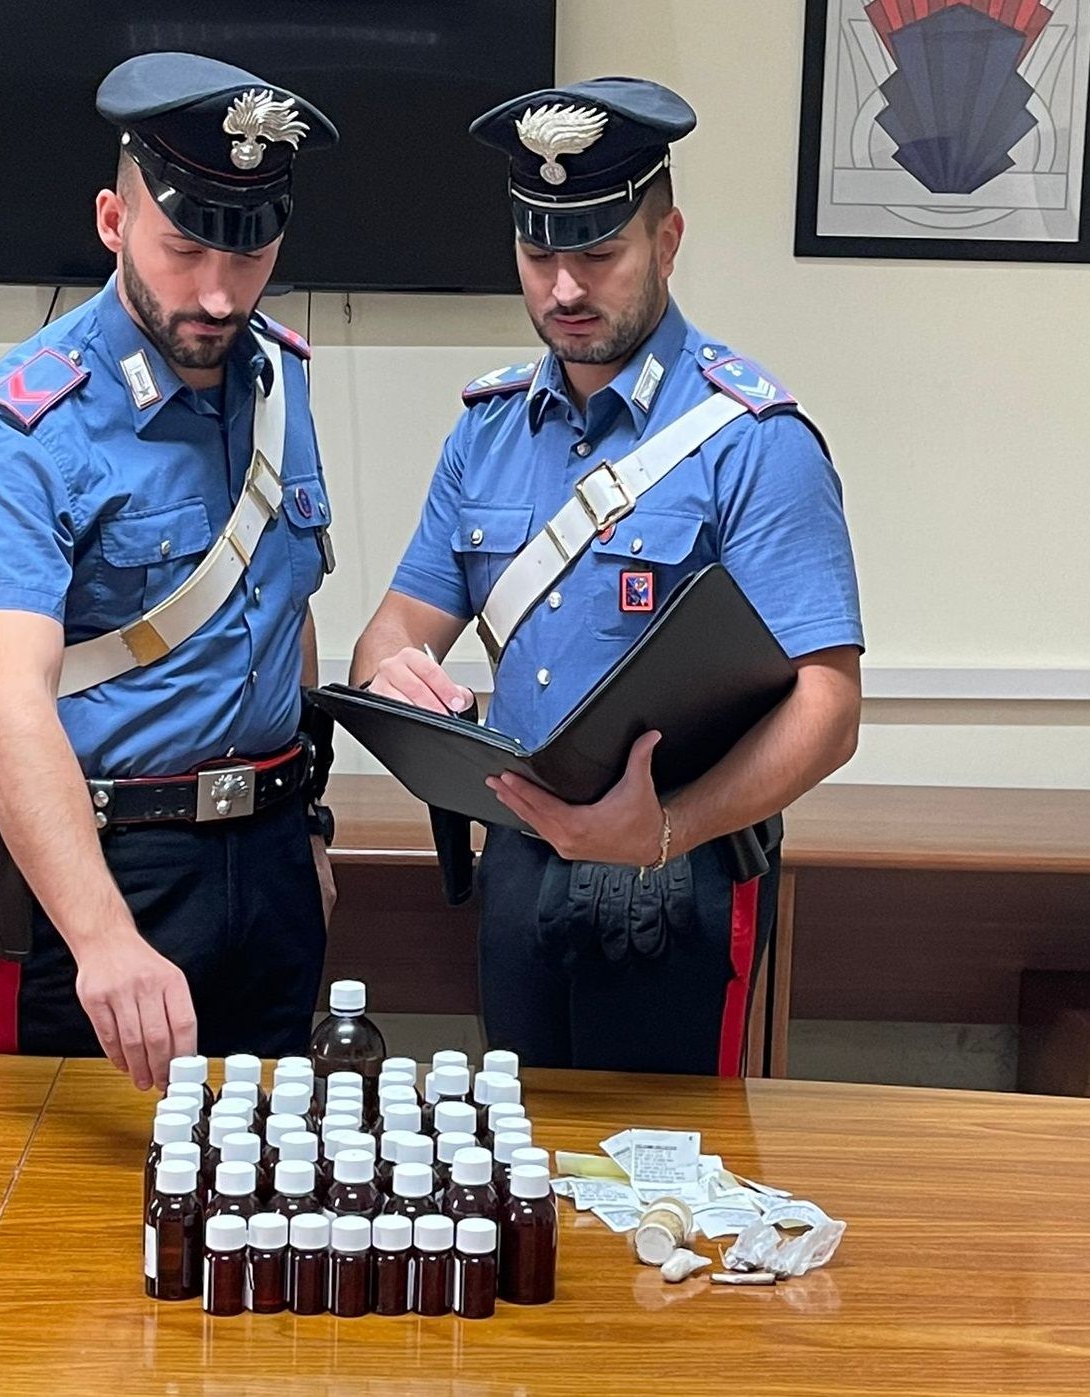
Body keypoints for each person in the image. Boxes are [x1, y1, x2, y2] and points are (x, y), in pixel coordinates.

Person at [350, 78, 864, 1076]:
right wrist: (392, 677)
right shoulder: (486, 431)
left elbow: (829, 707)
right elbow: (394, 629)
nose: (563, 290)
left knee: (669, 1158)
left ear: (666, 242)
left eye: (597, 254)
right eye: (537, 255)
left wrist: (665, 827)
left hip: (680, 867)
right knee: (522, 1141)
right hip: (519, 856)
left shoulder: (750, 440)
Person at [0, 53, 341, 1089]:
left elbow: (282, 610)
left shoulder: (276, 381)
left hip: (270, 860)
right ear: (113, 221)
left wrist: (307, 825)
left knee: (261, 1171)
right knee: (60, 1174)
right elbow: (9, 707)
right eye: (183, 249)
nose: (217, 292)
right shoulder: (23, 429)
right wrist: (104, 936)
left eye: (248, 254)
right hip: (100, 872)